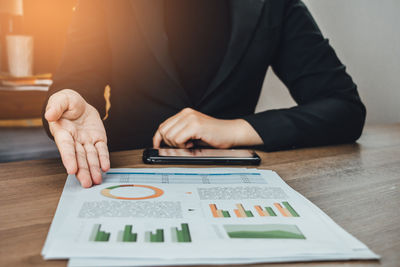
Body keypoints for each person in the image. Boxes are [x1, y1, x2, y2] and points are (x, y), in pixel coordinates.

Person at [43, 0, 366, 188]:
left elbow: (344, 108)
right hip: (121, 172)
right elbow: (75, 88)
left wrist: (236, 128)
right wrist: (71, 100)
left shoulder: (275, 4)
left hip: (236, 180)